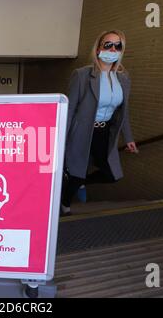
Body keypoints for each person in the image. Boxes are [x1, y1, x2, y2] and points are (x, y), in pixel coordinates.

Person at [61, 29, 138, 216]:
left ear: (121, 51)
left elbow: (123, 111)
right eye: (108, 44)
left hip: (104, 133)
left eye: (117, 46)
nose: (112, 49)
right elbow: (70, 109)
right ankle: (65, 204)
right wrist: (62, 137)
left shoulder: (123, 78)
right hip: (81, 131)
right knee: (77, 171)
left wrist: (128, 138)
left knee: (111, 174)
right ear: (98, 49)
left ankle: (79, 183)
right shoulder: (82, 75)